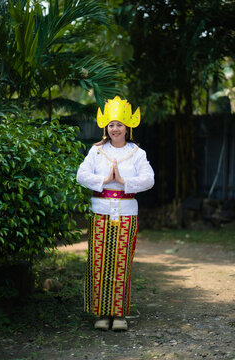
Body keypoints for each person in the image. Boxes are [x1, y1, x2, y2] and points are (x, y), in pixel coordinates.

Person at [76, 96, 154, 331]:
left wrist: (123, 181)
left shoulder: (137, 153)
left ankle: (118, 315)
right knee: (99, 262)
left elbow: (149, 180)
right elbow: (81, 175)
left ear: (127, 127)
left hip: (127, 213)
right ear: (106, 128)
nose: (115, 129)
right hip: (100, 212)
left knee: (120, 262)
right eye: (111, 125)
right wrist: (104, 180)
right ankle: (101, 313)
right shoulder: (97, 152)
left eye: (119, 124)